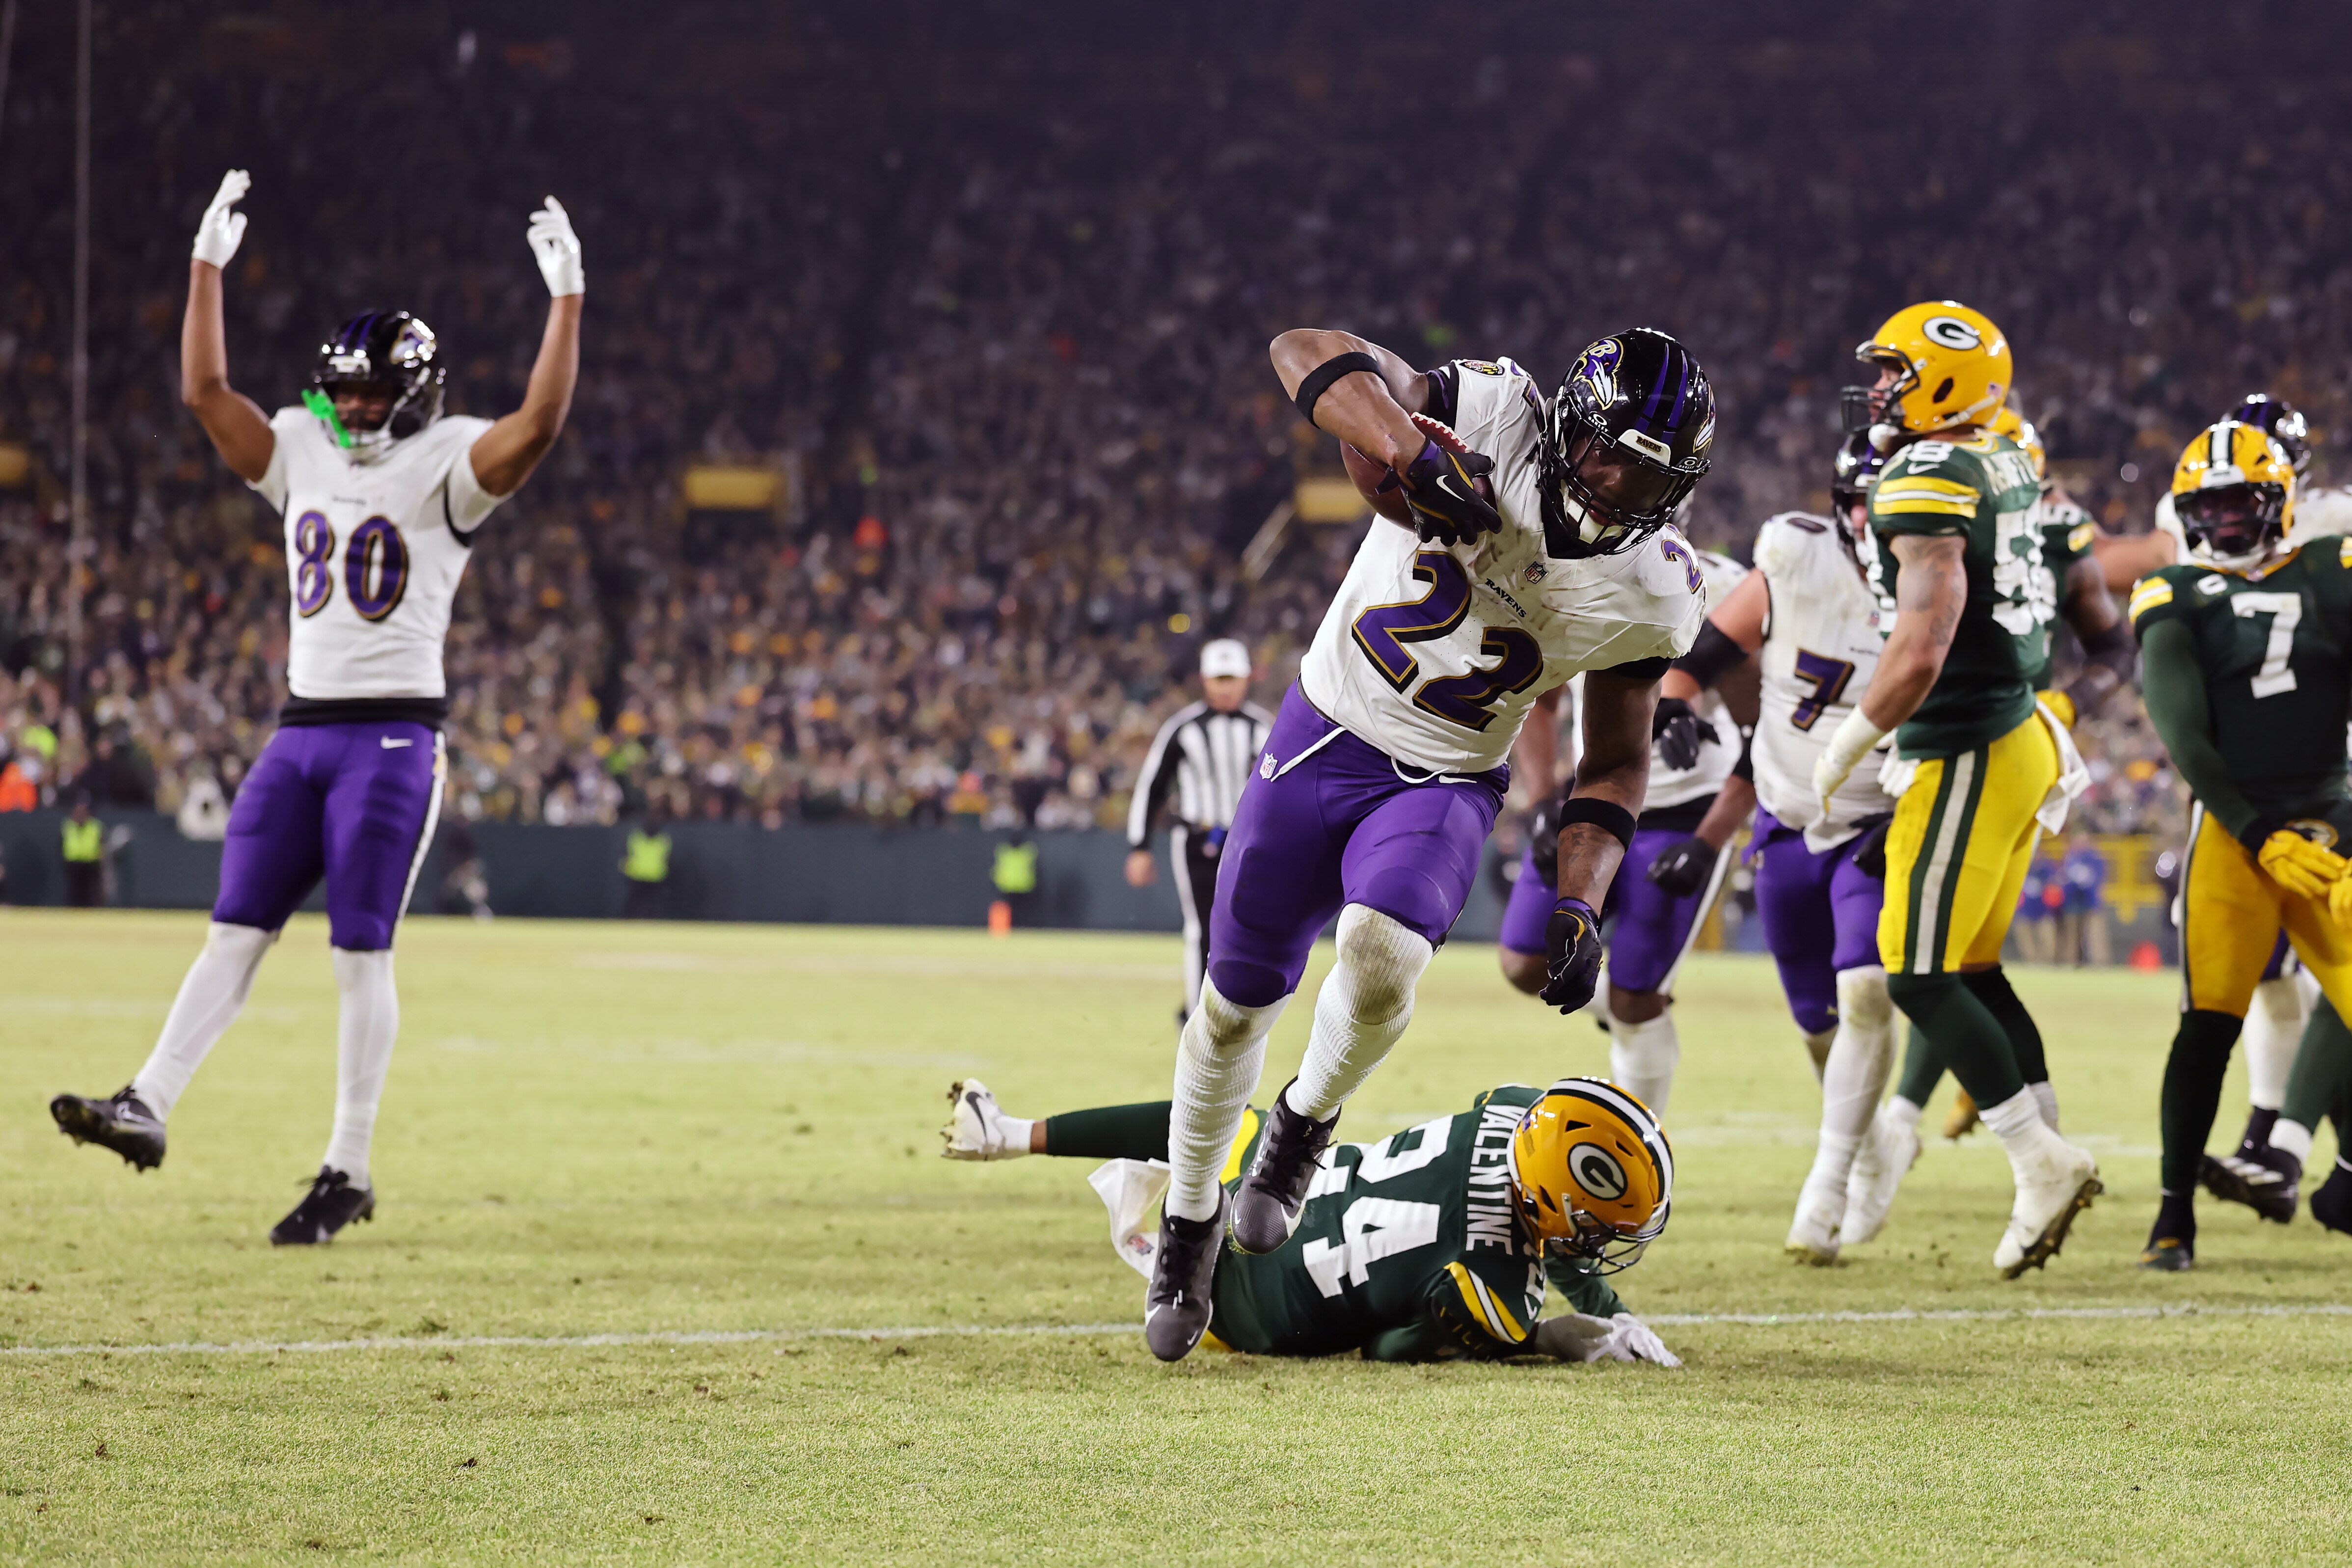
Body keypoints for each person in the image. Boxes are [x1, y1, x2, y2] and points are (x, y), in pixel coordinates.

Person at [1143, 327, 1714, 1362]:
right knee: (1231, 1007)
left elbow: (1614, 762)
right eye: (1607, 454)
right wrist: (1410, 452)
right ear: (1569, 425)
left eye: (1648, 475)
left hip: (1449, 774)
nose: (1616, 485)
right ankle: (1188, 1219)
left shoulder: (1656, 587)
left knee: (1384, 952)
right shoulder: (1492, 412)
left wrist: (1580, 900)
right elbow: (1302, 350)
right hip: (1322, 736)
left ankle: (1304, 1122)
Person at [48, 170, 584, 1245]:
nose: (358, 409)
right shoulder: (298, 441)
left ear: (418, 394)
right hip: (299, 734)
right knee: (232, 930)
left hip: (393, 736)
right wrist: (204, 268)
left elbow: (537, 425)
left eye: (376, 394)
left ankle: (349, 1166)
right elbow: (207, 393)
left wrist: (567, 300)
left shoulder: (448, 458)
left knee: (357, 952)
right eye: (348, 391)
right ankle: (147, 1102)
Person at [1812, 300, 2102, 1278]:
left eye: (1894, 373)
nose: (1878, 390)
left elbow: (1923, 642)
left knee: (1916, 973)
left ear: (1946, 380)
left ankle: (2039, 1159)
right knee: (1971, 968)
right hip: (2017, 731)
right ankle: (2047, 1145)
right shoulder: (2003, 453)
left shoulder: (1929, 471)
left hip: (1969, 741)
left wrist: (1849, 740)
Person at [942, 1075, 1680, 1366]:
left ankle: (1007, 1134)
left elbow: (1521, 1204)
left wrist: (1607, 1306)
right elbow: (1386, 1348)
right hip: (1249, 1310)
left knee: (1219, 1119)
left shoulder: (1513, 1109)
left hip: (1275, 1192)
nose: (1597, 1240)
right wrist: (1546, 1337)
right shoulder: (1500, 1293)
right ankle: (1190, 1258)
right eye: (1598, 1225)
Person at [2125, 420, 2352, 1271]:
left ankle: (2327, 1171)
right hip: (2233, 830)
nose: (2222, 519)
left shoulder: (2332, 567)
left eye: (2238, 502)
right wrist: (2258, 833)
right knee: (2206, 1026)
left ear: (2278, 500)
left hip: (2329, 815)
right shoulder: (2172, 591)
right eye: (2208, 505)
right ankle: (2172, 1214)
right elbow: (2182, 734)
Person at [1875, 405, 2136, 1144]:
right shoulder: (1938, 518)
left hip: (1991, 740)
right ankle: (1999, 1114)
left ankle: (1950, 1126)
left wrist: (2067, 703)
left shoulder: (2053, 530)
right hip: (1964, 740)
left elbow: (2114, 647)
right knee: (1960, 959)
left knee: (1928, 964)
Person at [1492, 545, 1757, 1118]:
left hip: (1683, 809)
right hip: (1596, 796)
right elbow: (1542, 693)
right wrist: (1542, 799)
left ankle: (1640, 1134)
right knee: (1525, 960)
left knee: (1637, 997)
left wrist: (1711, 838)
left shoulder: (1730, 587)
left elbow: (1763, 718)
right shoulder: (1578, 564)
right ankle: (1637, 1022)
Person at [1124, 638, 1274, 1019]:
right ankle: (1197, 1016)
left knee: (1250, 927)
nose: (1225, 687)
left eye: (1231, 679)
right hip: (1196, 840)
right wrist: (1139, 846)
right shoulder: (1183, 728)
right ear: (1204, 680)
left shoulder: (1264, 728)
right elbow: (1152, 787)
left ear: (1246, 679)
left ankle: (1236, 1011)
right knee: (1202, 927)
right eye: (1218, 679)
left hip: (1248, 842)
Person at [621, 806, 671, 920]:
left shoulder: (639, 837)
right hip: (642, 876)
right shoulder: (661, 839)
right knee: (636, 904)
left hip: (650, 876)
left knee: (651, 905)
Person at [61, 797, 104, 908]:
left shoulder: (95, 826)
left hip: (91, 863)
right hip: (73, 863)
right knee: (74, 892)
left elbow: (102, 843)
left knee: (90, 892)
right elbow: (62, 844)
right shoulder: (69, 826)